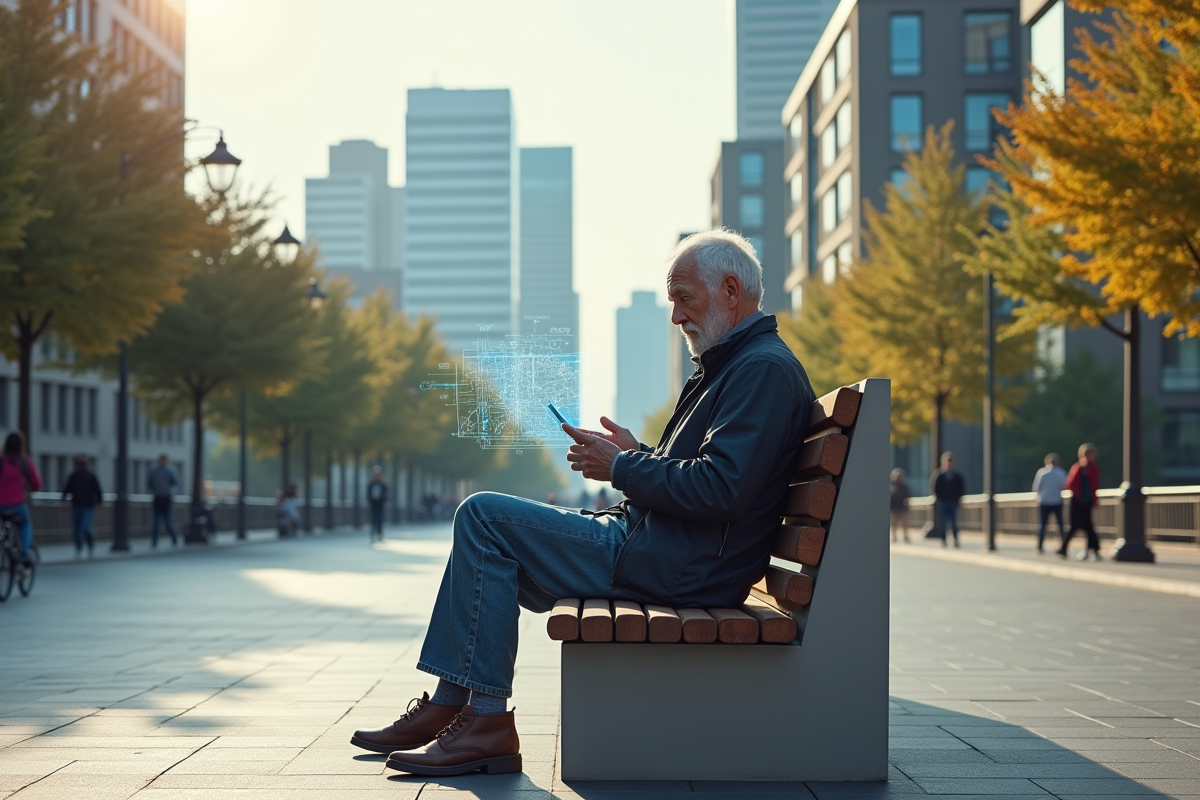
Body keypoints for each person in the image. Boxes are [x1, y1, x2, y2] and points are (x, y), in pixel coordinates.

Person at [352, 229, 815, 778]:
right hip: (667, 550)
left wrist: (621, 468)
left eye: (684, 299)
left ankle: (483, 721)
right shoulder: (739, 363)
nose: (676, 317)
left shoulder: (758, 369)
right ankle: (458, 707)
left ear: (731, 290)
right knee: (489, 536)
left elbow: (722, 487)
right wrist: (638, 453)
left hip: (675, 565)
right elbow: (716, 475)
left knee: (483, 517)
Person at [0, 431, 42, 567]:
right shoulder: (25, 462)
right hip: (18, 505)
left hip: (1, 505)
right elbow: (36, 483)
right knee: (25, 524)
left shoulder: (1, 461)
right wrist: (31, 489)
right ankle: (23, 553)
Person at [1061, 443, 1102, 561]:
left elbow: (1095, 485)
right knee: (1074, 526)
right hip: (1077, 501)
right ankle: (1064, 548)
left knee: (1088, 527)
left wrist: (1094, 500)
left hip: (1087, 501)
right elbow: (1070, 484)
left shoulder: (1094, 468)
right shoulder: (1077, 468)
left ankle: (1092, 549)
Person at [61, 455, 103, 557]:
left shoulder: (91, 476)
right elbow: (66, 490)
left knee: (85, 528)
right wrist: (63, 502)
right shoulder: (73, 476)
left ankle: (90, 545)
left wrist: (98, 503)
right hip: (76, 506)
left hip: (88, 506)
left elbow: (98, 491)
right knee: (76, 529)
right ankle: (78, 548)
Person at [1032, 453, 1068, 554]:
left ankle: (1040, 545)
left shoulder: (1042, 473)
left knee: (1043, 524)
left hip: (1044, 501)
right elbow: (1065, 486)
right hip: (1057, 501)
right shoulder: (1061, 472)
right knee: (1060, 524)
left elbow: (1036, 488)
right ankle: (1064, 545)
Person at [931, 452, 965, 548]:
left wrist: (959, 499)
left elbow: (961, 489)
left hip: (953, 502)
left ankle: (955, 538)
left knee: (954, 522)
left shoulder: (957, 476)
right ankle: (943, 539)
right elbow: (935, 488)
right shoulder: (939, 476)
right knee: (943, 522)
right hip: (943, 501)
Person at [147, 454, 179, 547]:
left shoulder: (170, 471)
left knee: (167, 522)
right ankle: (154, 541)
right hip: (157, 498)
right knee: (156, 522)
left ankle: (174, 538)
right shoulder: (154, 471)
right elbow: (149, 484)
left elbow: (176, 484)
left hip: (166, 498)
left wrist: (170, 492)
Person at [889, 468, 911, 544]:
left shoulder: (904, 486)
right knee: (894, 524)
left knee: (904, 524)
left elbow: (907, 496)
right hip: (894, 508)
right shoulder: (891, 486)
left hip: (902, 508)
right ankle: (894, 537)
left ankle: (905, 537)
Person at [368, 466, 388, 542]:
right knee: (373, 520)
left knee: (380, 520)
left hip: (381, 505)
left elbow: (387, 494)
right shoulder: (371, 484)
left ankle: (379, 534)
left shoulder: (383, 485)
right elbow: (368, 495)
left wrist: (382, 498)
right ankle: (372, 535)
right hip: (373, 505)